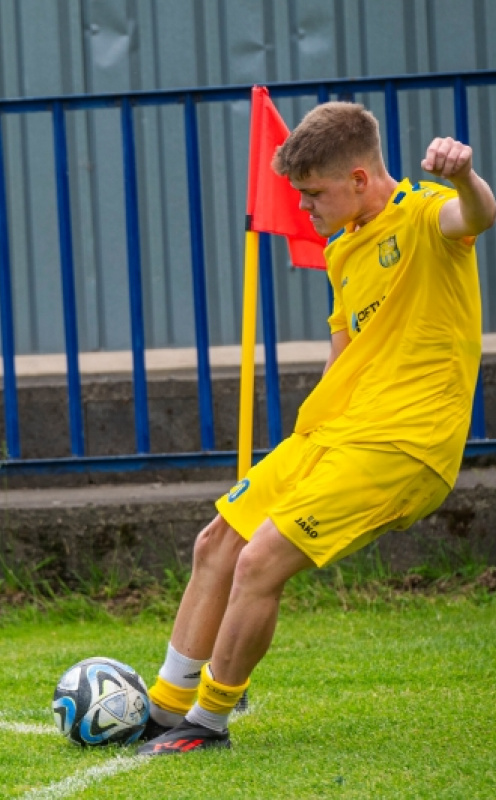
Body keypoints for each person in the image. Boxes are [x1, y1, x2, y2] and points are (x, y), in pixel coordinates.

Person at [137, 100, 496, 756]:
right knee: (217, 542)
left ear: (360, 179)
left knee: (260, 559)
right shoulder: (341, 251)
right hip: (336, 432)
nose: (304, 209)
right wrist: (309, 431)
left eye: (313, 194)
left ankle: (208, 723)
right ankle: (163, 707)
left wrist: (467, 176)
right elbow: (346, 357)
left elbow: (475, 215)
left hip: (404, 443)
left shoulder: (422, 212)